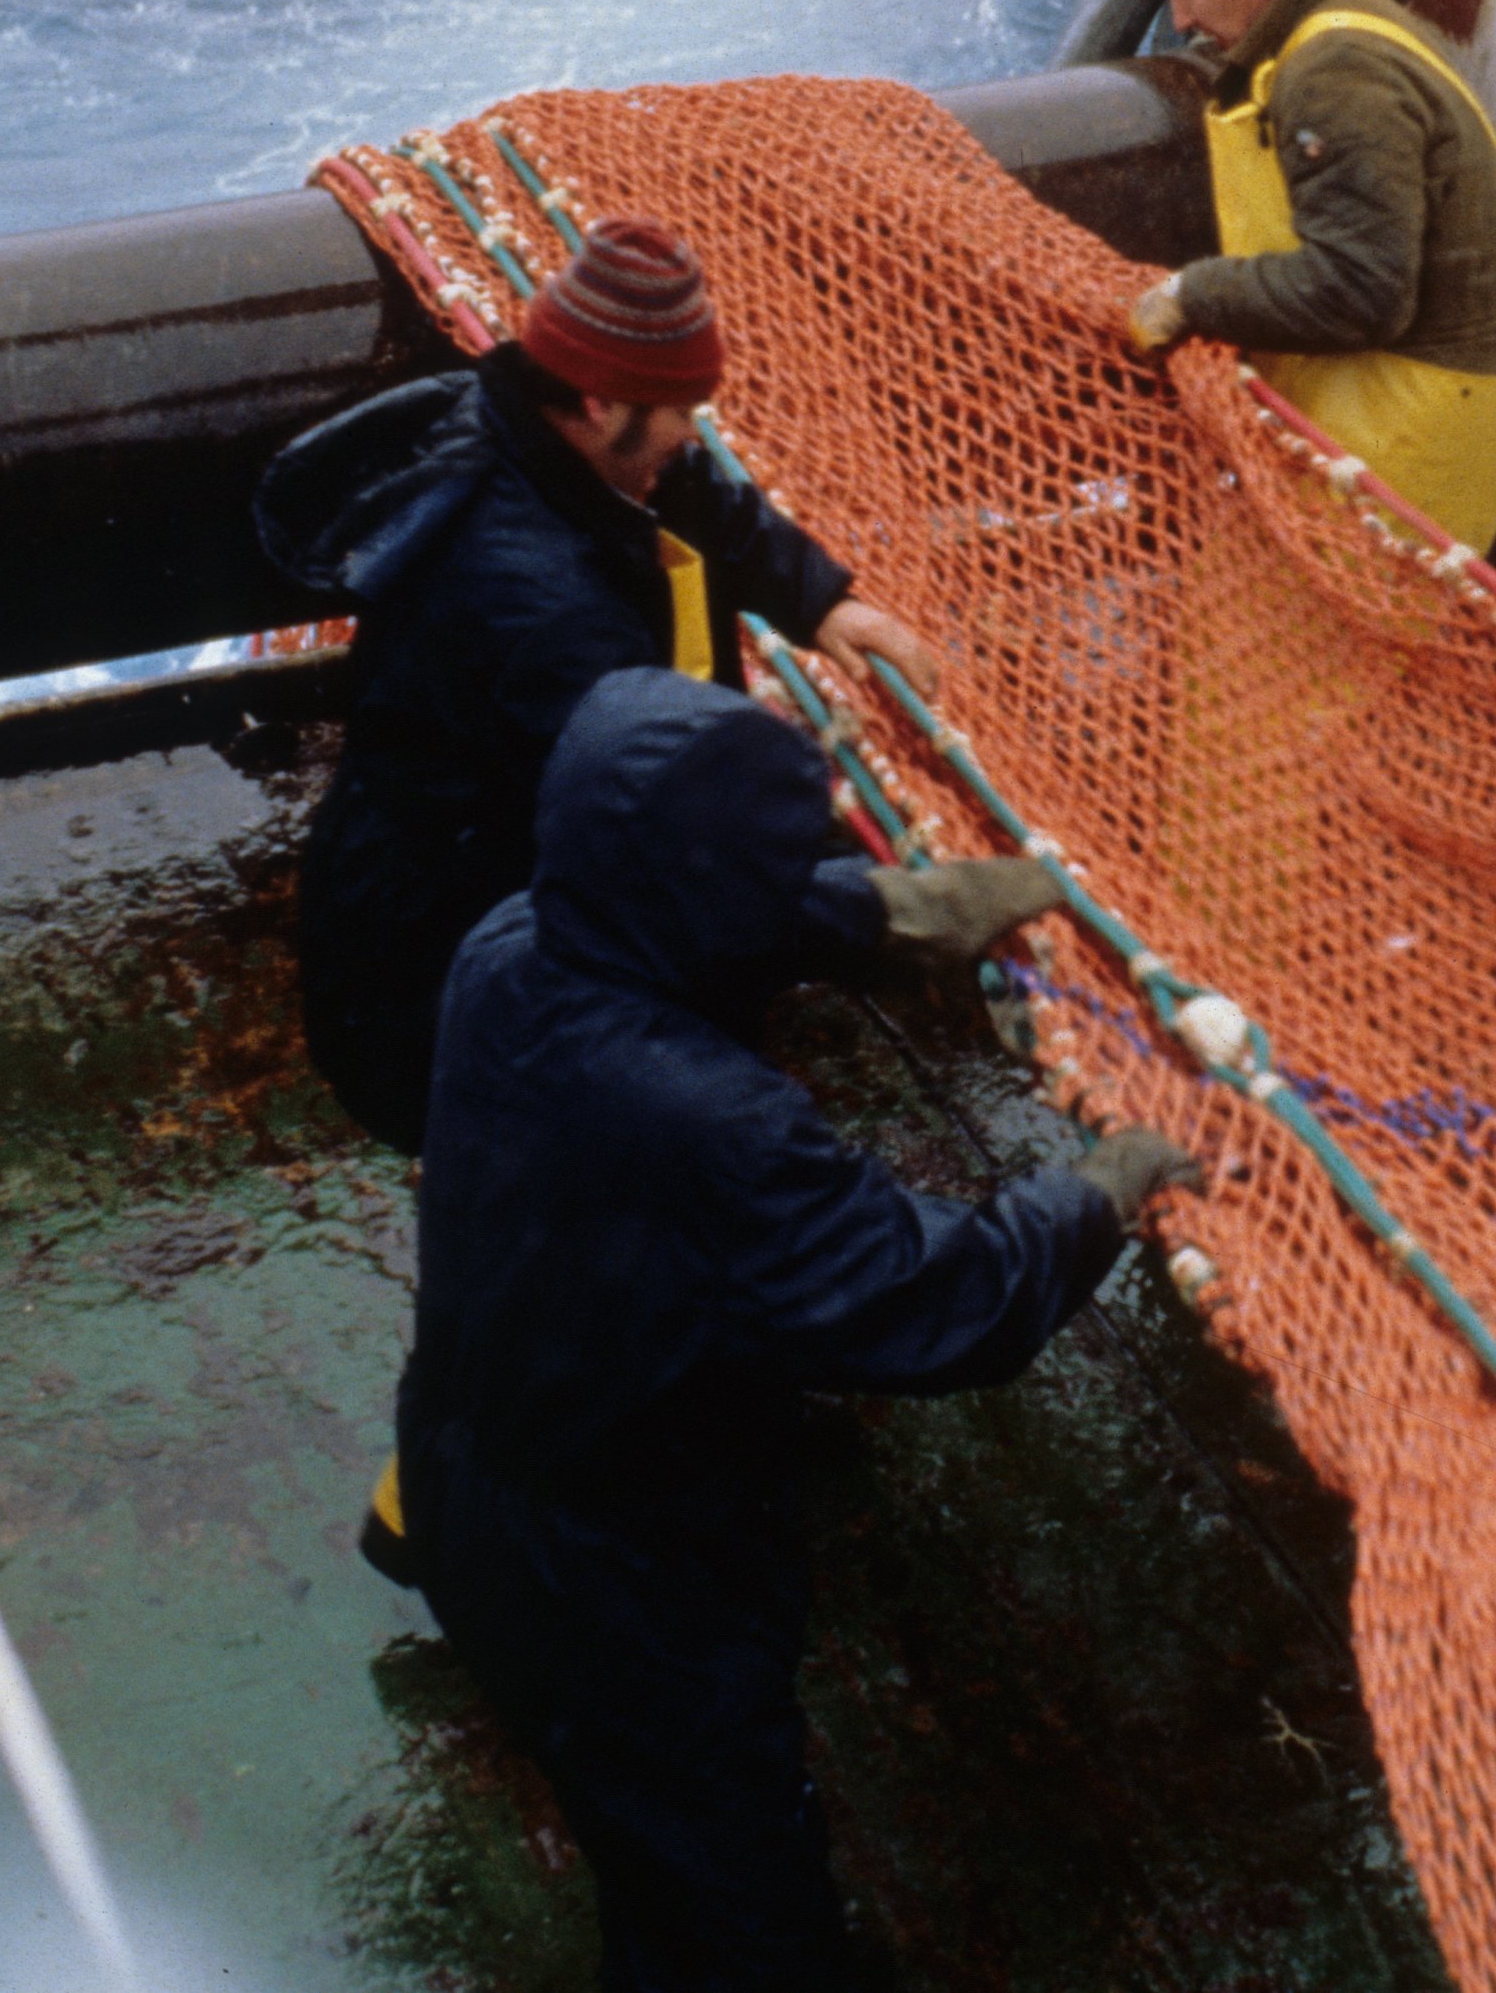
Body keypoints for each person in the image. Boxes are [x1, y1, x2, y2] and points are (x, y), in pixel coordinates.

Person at [406, 669, 1201, 1990]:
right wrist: (1095, 1192)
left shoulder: (510, 942)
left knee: (633, 1828)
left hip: (470, 1465)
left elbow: (679, 910)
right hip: (621, 1574)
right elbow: (931, 1301)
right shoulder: (710, 1124)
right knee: (727, 1883)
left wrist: (884, 917)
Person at [255, 215, 939, 1154]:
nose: (691, 432)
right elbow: (671, 856)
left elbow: (689, 484)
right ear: (593, 401)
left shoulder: (525, 427)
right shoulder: (541, 608)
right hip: (437, 995)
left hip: (462, 890)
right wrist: (891, 903)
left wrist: (821, 604)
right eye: (677, 410)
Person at [1117, 0, 1496, 549]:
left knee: (1271, 652)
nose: (1177, 20)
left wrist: (1193, 295)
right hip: (1411, 403)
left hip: (1408, 430)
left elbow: (1360, 289)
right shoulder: (1345, 12)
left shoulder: (1333, 69)